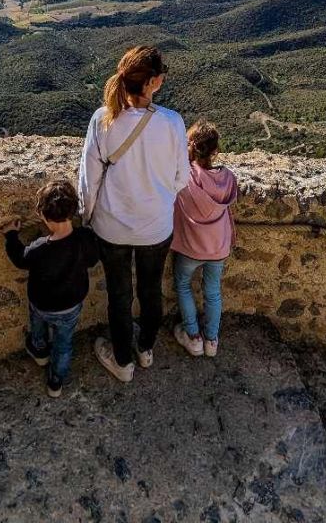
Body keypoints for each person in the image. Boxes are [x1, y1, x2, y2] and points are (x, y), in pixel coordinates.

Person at [79, 45, 189, 383]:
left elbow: (89, 178)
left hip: (111, 228)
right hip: (155, 228)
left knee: (120, 295)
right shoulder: (172, 123)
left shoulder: (102, 120)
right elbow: (181, 179)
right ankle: (145, 349)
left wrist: (86, 218)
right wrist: (156, 198)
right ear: (154, 82)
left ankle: (122, 361)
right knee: (151, 290)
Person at [4, 179, 98, 398]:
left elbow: (20, 259)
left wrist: (11, 236)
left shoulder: (39, 248)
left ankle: (39, 350)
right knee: (64, 344)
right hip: (70, 306)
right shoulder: (85, 239)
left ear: (43, 216)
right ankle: (56, 381)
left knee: (38, 326)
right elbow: (92, 259)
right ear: (74, 210)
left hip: (42, 304)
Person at [171, 120, 238, 358]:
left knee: (182, 284)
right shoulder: (227, 178)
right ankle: (211, 340)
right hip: (218, 247)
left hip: (190, 247)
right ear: (215, 151)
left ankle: (193, 335)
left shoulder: (184, 175)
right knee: (213, 292)